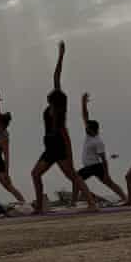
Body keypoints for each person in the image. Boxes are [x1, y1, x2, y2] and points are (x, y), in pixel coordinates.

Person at [31, 41, 97, 214]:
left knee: (73, 175)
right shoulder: (54, 103)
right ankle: (39, 207)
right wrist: (61, 56)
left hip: (58, 147)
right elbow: (56, 76)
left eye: (50, 96)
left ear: (54, 100)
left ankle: (92, 204)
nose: (48, 96)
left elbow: (65, 136)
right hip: (49, 146)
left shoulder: (59, 111)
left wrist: (69, 155)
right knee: (35, 174)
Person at [70, 93, 128, 205]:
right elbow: (85, 116)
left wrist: (106, 173)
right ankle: (125, 197)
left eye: (87, 128)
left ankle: (125, 197)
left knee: (78, 178)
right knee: (77, 179)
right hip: (90, 166)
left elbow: (104, 159)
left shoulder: (98, 141)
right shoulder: (89, 136)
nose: (85, 129)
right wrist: (83, 102)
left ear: (92, 129)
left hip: (96, 166)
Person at [0, 93, 27, 203]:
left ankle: (24, 204)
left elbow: (7, 155)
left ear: (1, 123)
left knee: (8, 186)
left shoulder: (3, 136)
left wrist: (7, 173)